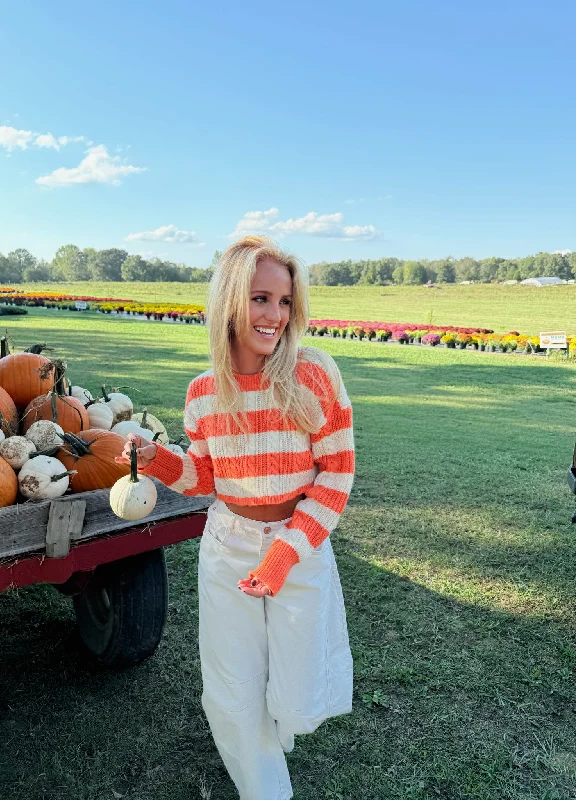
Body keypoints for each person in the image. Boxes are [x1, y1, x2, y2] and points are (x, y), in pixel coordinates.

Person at [116, 235, 355, 800]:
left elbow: (337, 475)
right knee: (232, 682)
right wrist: (158, 461)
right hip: (228, 545)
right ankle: (264, 787)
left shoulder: (313, 376)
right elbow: (205, 477)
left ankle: (271, 745)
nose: (275, 316)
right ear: (228, 300)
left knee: (293, 679)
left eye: (285, 301)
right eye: (260, 299)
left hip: (297, 546)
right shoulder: (203, 394)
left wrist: (285, 552)